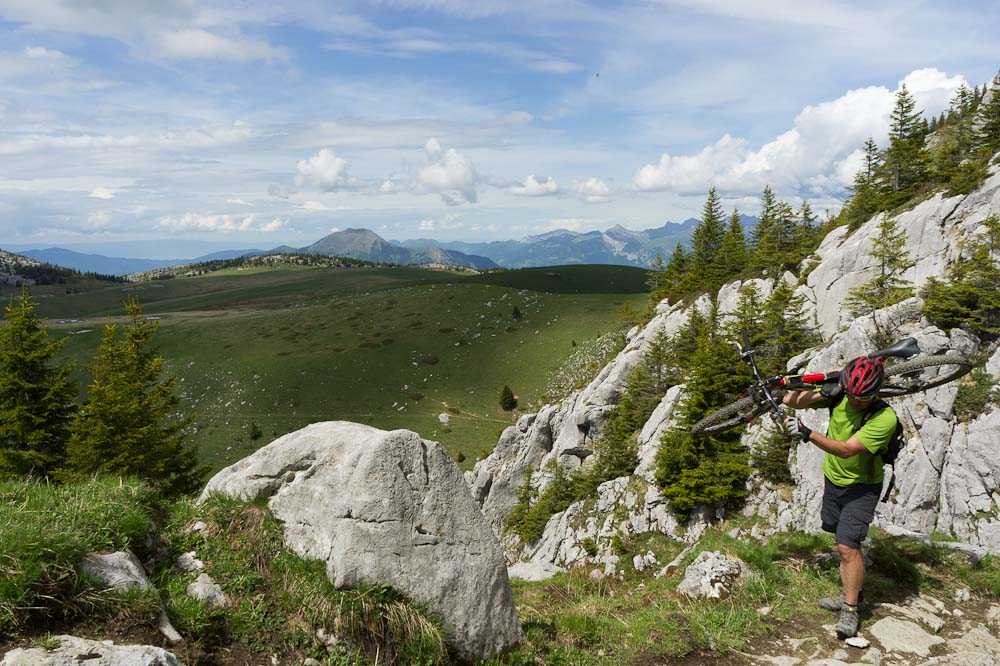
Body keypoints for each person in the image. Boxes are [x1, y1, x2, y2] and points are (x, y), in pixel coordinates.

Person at [782, 355, 898, 640]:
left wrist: (807, 433)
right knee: (838, 538)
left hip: (862, 487)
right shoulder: (841, 396)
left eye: (864, 397)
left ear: (876, 392)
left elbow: (847, 449)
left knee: (848, 547)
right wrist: (814, 387)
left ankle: (850, 609)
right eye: (853, 395)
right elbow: (790, 402)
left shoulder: (884, 417)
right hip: (833, 480)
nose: (856, 401)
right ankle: (853, 593)